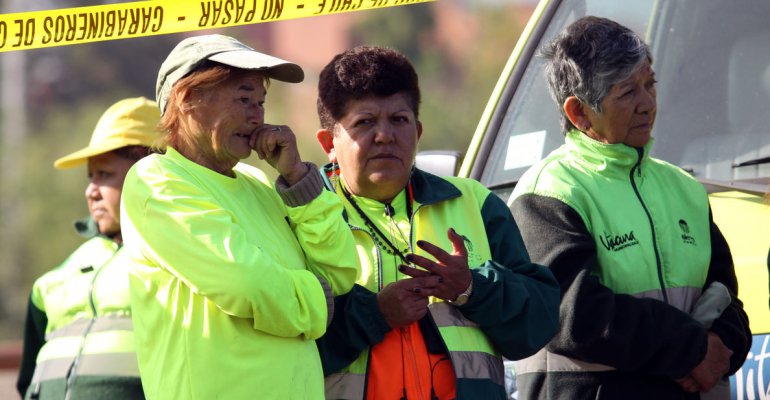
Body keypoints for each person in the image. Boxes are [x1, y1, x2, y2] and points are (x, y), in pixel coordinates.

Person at [508, 16, 752, 399]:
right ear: (579, 113)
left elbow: (726, 296)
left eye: (650, 84)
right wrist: (690, 351)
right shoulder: (549, 193)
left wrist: (722, 348)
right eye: (627, 93)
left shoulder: (684, 189)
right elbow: (573, 316)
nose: (647, 104)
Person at [119, 34, 358, 400]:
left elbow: (340, 270)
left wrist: (298, 179)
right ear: (187, 99)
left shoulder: (256, 181)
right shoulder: (155, 179)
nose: (257, 115)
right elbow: (246, 284)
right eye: (244, 99)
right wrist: (321, 304)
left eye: (260, 102)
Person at [313, 45, 561, 400]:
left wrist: (472, 288)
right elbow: (284, 346)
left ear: (419, 131)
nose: (385, 135)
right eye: (364, 123)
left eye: (399, 120)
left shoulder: (475, 202)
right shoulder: (306, 217)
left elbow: (537, 326)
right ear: (328, 143)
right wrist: (375, 315)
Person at [16, 97, 161, 399]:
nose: (90, 191)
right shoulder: (55, 278)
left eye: (104, 175)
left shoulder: (184, 261)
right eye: (89, 177)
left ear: (151, 172)